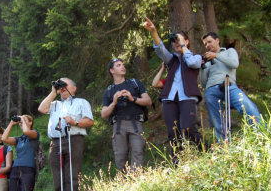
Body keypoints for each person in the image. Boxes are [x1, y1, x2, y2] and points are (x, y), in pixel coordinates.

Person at [143, 17, 205, 153]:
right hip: (169, 98)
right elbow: (161, 50)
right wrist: (153, 32)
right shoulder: (172, 60)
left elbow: (193, 64)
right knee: (173, 133)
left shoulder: (196, 57)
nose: (176, 43)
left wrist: (183, 46)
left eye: (180, 40)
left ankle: (206, 151)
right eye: (174, 41)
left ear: (187, 41)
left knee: (188, 128)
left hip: (187, 97)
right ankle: (177, 163)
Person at [38, 78, 94, 191]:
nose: (62, 88)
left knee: (72, 172)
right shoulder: (55, 104)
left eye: (65, 84)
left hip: (73, 139)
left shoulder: (81, 102)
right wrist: (53, 92)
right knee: (57, 174)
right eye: (60, 85)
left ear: (73, 88)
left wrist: (75, 122)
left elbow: (90, 121)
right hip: (55, 142)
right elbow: (41, 109)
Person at [200, 32, 261, 141]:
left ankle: (261, 133)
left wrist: (216, 55)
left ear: (217, 40)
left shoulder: (229, 51)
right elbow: (204, 83)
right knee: (216, 119)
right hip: (211, 89)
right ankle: (223, 144)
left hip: (229, 85)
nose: (207, 45)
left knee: (247, 106)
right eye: (205, 44)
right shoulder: (208, 61)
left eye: (209, 41)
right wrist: (202, 68)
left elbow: (234, 64)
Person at [101, 58, 152, 172]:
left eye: (123, 65)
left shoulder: (135, 83)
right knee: (120, 156)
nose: (122, 67)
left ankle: (136, 179)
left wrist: (132, 98)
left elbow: (148, 101)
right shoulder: (109, 91)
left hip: (136, 122)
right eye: (118, 65)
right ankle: (123, 182)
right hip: (118, 125)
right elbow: (104, 114)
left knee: (138, 150)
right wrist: (114, 102)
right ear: (112, 70)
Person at [2, 115, 38, 191]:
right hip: (15, 169)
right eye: (20, 121)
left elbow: (27, 132)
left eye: (24, 121)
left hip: (28, 169)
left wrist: (22, 118)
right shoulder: (19, 139)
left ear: (30, 123)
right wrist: (12, 123)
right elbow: (4, 138)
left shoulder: (34, 134)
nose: (21, 122)